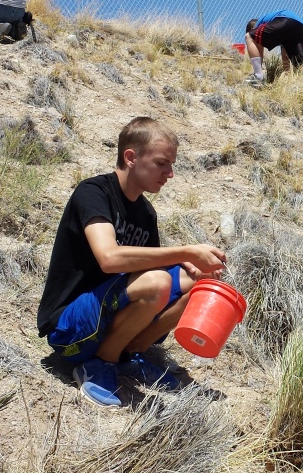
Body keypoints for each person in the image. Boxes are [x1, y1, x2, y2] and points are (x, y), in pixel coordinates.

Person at [36, 117, 227, 407]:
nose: (170, 173)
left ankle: (129, 355)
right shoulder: (94, 193)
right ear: (131, 157)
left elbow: (147, 268)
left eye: (171, 165)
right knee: (157, 282)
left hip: (108, 313)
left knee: (201, 282)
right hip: (69, 329)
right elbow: (109, 258)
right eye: (162, 163)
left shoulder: (146, 213)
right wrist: (183, 252)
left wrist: (191, 267)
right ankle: (98, 365)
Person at [243, 9, 303, 84]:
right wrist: (286, 73)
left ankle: (258, 77)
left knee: (250, 37)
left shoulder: (258, 24)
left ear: (253, 29)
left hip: (285, 20)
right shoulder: (278, 31)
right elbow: (285, 54)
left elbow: (255, 39)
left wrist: (252, 36)